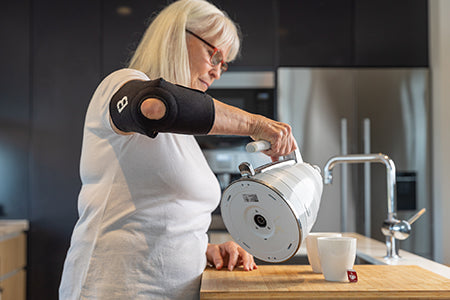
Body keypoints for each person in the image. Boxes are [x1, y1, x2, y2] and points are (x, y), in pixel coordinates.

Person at [59, 0, 297, 299]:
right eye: (215, 55)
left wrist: (205, 250)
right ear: (176, 36)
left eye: (223, 65)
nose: (217, 72)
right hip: (113, 289)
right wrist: (254, 124)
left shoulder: (185, 137)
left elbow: (161, 220)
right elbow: (157, 104)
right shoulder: (123, 84)